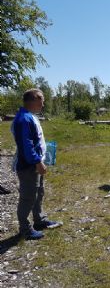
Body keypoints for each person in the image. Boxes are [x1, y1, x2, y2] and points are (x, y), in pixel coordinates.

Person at [11, 89, 62, 240]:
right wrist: (37, 162)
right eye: (42, 100)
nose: (43, 104)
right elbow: (26, 145)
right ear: (35, 99)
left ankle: (39, 220)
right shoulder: (23, 119)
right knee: (28, 197)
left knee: (38, 192)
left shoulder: (29, 117)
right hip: (28, 166)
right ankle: (25, 229)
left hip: (34, 164)